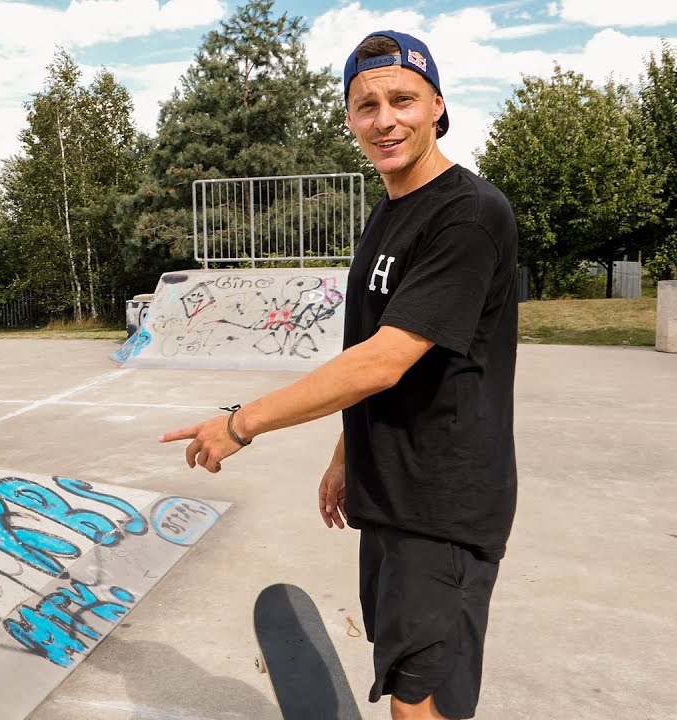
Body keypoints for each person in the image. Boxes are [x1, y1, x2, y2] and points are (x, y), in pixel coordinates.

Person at [159, 30, 518, 720]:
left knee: (423, 702)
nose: (385, 120)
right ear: (350, 119)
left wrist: (241, 423)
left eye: (403, 101)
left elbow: (386, 360)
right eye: (366, 105)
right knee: (404, 679)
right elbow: (369, 345)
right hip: (393, 494)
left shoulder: (468, 215)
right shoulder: (388, 212)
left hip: (443, 503)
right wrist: (345, 453)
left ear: (438, 105)